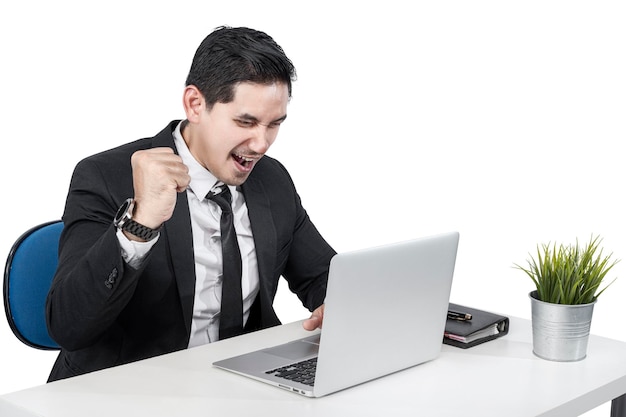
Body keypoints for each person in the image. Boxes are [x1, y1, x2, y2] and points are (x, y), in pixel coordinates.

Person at [45, 26, 335, 382]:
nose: (261, 144)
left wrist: (339, 306)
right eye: (246, 122)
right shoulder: (105, 176)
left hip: (241, 383)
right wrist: (141, 223)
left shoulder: (270, 179)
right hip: (129, 386)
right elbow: (68, 326)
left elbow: (322, 275)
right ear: (196, 104)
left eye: (274, 124)